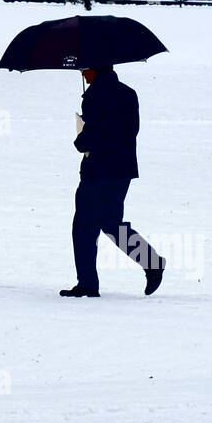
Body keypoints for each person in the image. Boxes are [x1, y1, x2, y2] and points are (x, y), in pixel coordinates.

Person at [62, 65, 165, 298]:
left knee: (83, 227)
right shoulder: (128, 93)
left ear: (96, 70)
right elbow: (129, 130)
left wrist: (81, 141)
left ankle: (87, 283)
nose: (83, 74)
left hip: (98, 169)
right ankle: (152, 262)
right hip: (122, 169)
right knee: (111, 223)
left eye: (86, 69)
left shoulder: (95, 96)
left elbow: (97, 133)